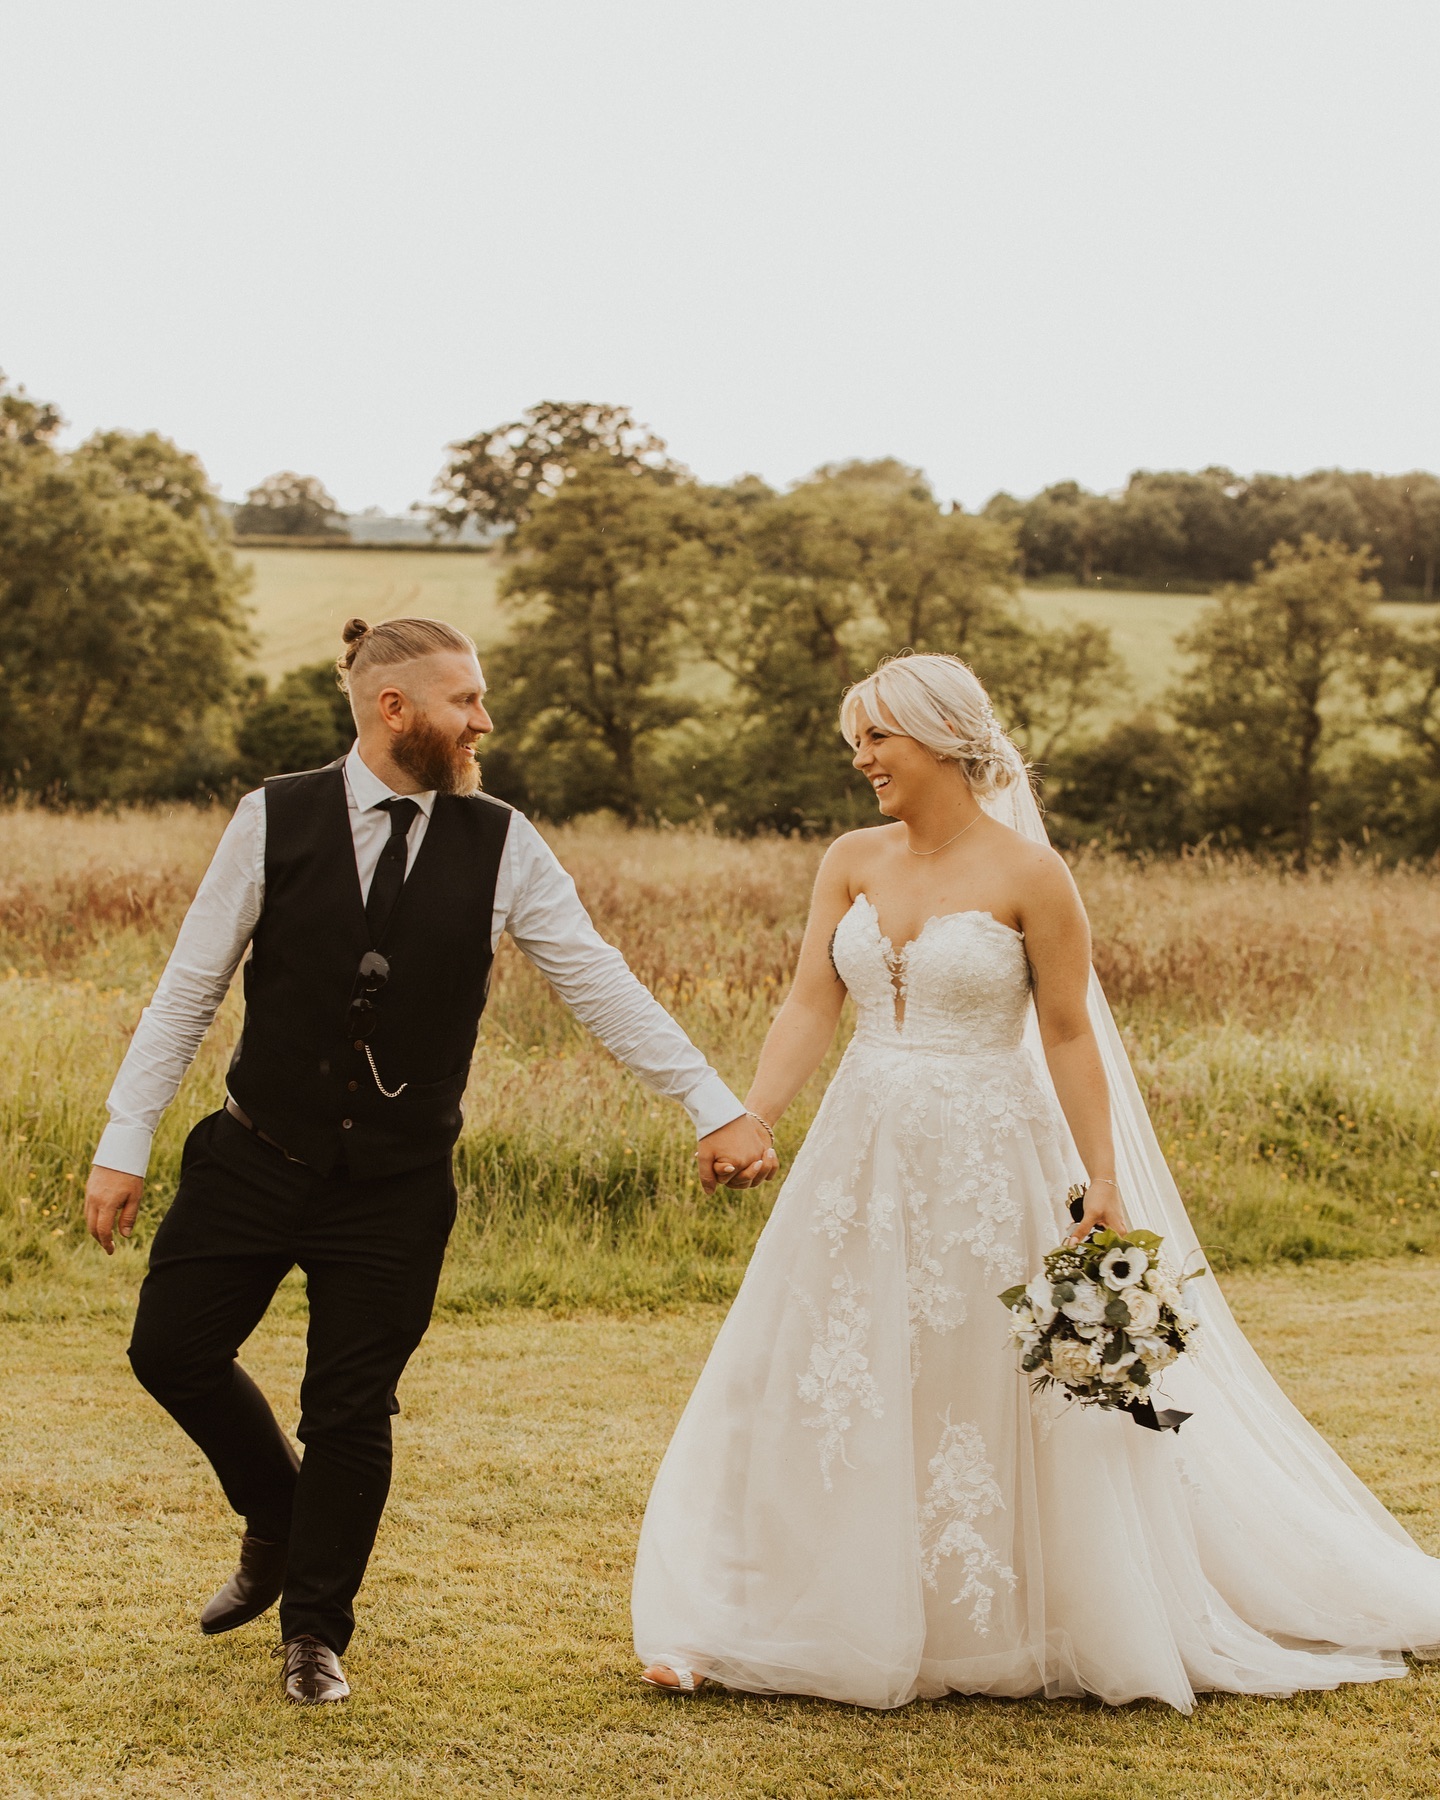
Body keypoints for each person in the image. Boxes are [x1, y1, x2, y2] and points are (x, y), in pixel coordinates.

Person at [633, 650, 1440, 1711]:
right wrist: (755, 1118)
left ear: (942, 738)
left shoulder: (1031, 874)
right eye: (858, 739)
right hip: (860, 1155)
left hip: (992, 1159)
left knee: (1003, 1380)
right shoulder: (851, 859)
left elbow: (1065, 1033)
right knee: (827, 1370)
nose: (862, 756)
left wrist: (1101, 1177)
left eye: (879, 736)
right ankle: (774, 1614)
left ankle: (1010, 1620)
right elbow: (810, 1006)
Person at [84, 616, 776, 1705]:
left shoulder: (504, 842)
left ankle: (314, 1633)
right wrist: (124, 1142)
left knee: (350, 1411)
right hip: (255, 1157)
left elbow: (597, 981)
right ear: (392, 708)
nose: (483, 721)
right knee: (169, 1348)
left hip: (397, 1188)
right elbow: (189, 985)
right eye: (464, 701)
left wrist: (711, 1105)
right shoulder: (273, 818)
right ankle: (277, 1510)